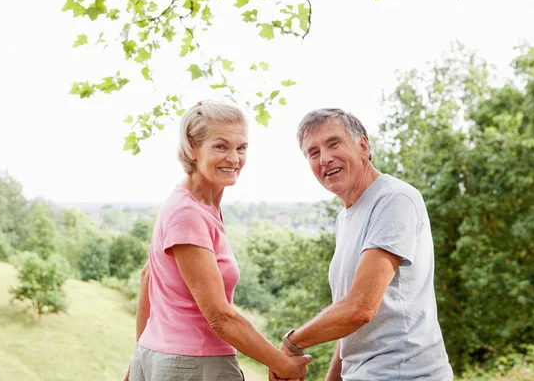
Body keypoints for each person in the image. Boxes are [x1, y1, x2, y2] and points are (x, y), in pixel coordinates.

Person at [125, 100, 312, 381]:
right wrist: (282, 364)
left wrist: (143, 354)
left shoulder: (195, 203)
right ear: (192, 146)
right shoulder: (187, 213)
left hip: (167, 361)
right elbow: (220, 316)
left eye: (241, 147)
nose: (234, 159)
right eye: (221, 146)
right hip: (193, 367)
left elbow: (147, 276)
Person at [274, 108, 453, 380]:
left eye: (334, 143)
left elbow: (360, 308)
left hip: (405, 373)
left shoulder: (395, 200)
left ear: (363, 146)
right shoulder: (345, 218)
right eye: (313, 152)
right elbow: (347, 318)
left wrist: (291, 344)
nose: (325, 158)